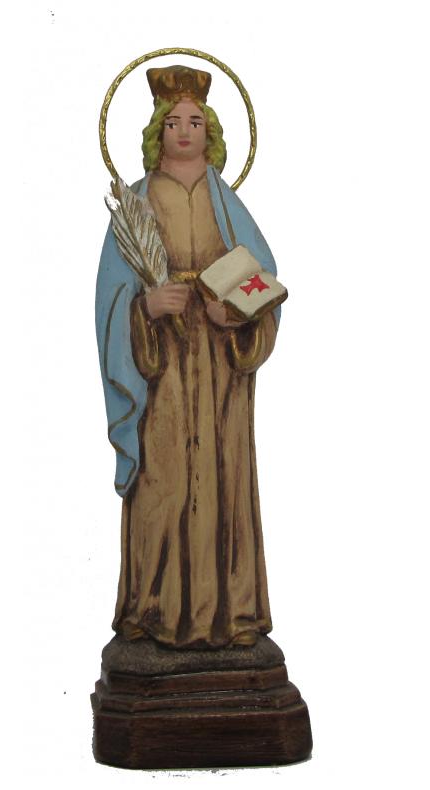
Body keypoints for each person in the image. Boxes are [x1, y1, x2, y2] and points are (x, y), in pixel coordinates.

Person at [95, 65, 281, 648]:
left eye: (195, 122)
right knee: (164, 479)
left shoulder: (227, 202)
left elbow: (263, 274)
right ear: (156, 132)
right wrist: (145, 308)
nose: (183, 130)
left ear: (211, 133)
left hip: (219, 362)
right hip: (164, 364)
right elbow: (111, 293)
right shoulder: (137, 201)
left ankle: (231, 612)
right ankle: (152, 608)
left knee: (223, 478)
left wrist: (240, 315)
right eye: (172, 121)